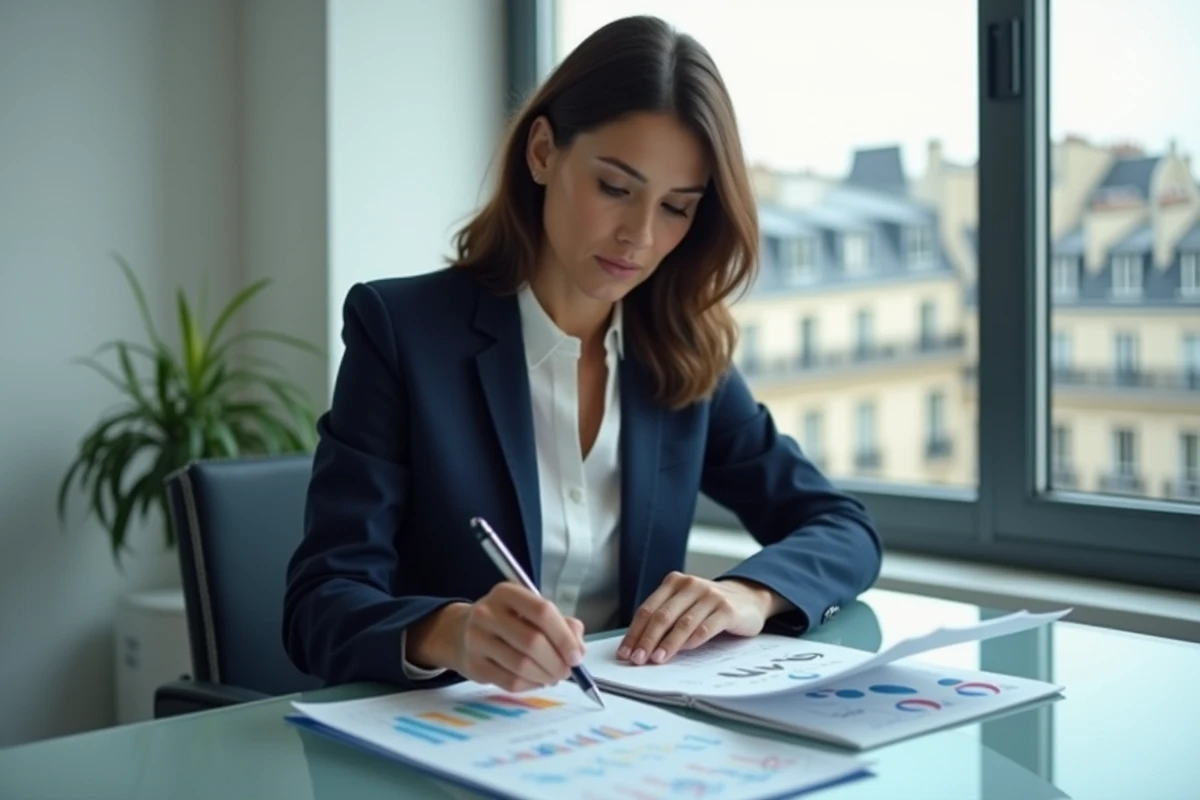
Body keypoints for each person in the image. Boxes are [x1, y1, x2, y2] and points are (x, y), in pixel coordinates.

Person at [282, 14, 882, 696]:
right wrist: (451, 632)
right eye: (615, 188)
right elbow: (320, 604)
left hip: (620, 739)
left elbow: (842, 528)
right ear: (542, 151)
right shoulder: (401, 332)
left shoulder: (680, 353)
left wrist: (751, 593)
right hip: (445, 737)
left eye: (677, 208)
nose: (639, 236)